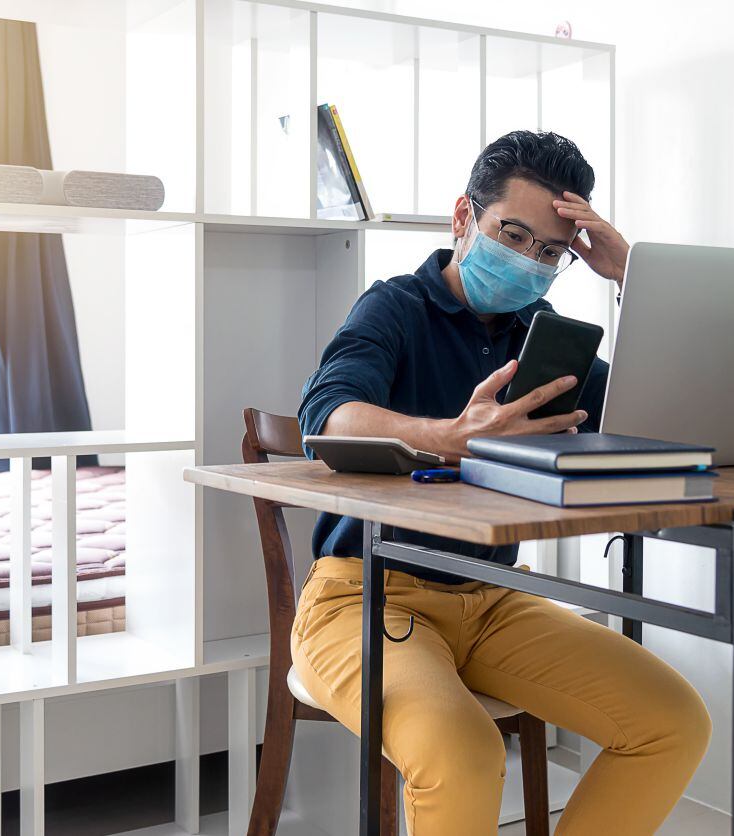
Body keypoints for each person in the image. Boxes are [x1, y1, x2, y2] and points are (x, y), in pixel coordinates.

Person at [292, 130, 711, 835]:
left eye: (550, 252)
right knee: (462, 752)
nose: (528, 261)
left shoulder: (544, 340)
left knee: (671, 722)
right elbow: (328, 414)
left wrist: (632, 276)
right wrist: (450, 437)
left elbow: (670, 413)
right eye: (512, 235)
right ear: (464, 219)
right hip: (366, 593)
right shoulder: (394, 307)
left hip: (491, 599)